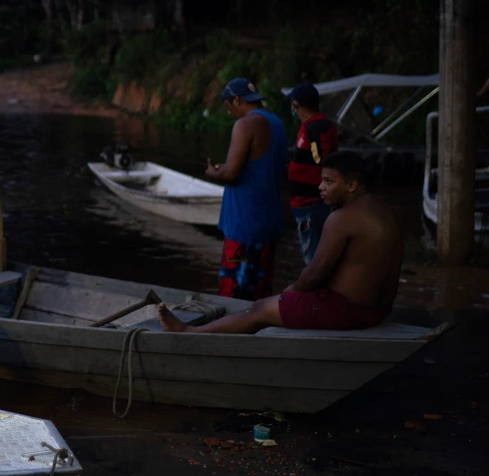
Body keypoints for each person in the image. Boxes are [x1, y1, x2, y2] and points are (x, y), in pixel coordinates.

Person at [159, 152, 401, 334]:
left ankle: (191, 332)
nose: (321, 187)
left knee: (259, 309)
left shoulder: (341, 218)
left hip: (350, 312)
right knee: (275, 303)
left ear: (351, 185)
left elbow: (315, 274)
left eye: (329, 181)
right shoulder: (384, 210)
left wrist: (291, 292)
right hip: (378, 310)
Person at [205, 78, 287, 300]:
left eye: (228, 106)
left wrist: (213, 172)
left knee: (233, 295)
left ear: (237, 99)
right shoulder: (277, 123)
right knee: (260, 292)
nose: (229, 113)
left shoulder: (245, 124)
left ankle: (230, 335)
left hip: (245, 225)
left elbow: (231, 173)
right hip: (270, 222)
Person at [286, 82, 338, 264]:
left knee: (314, 259)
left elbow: (326, 162)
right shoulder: (310, 125)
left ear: (296, 104)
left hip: (312, 205)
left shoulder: (316, 128)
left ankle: (317, 291)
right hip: (305, 204)